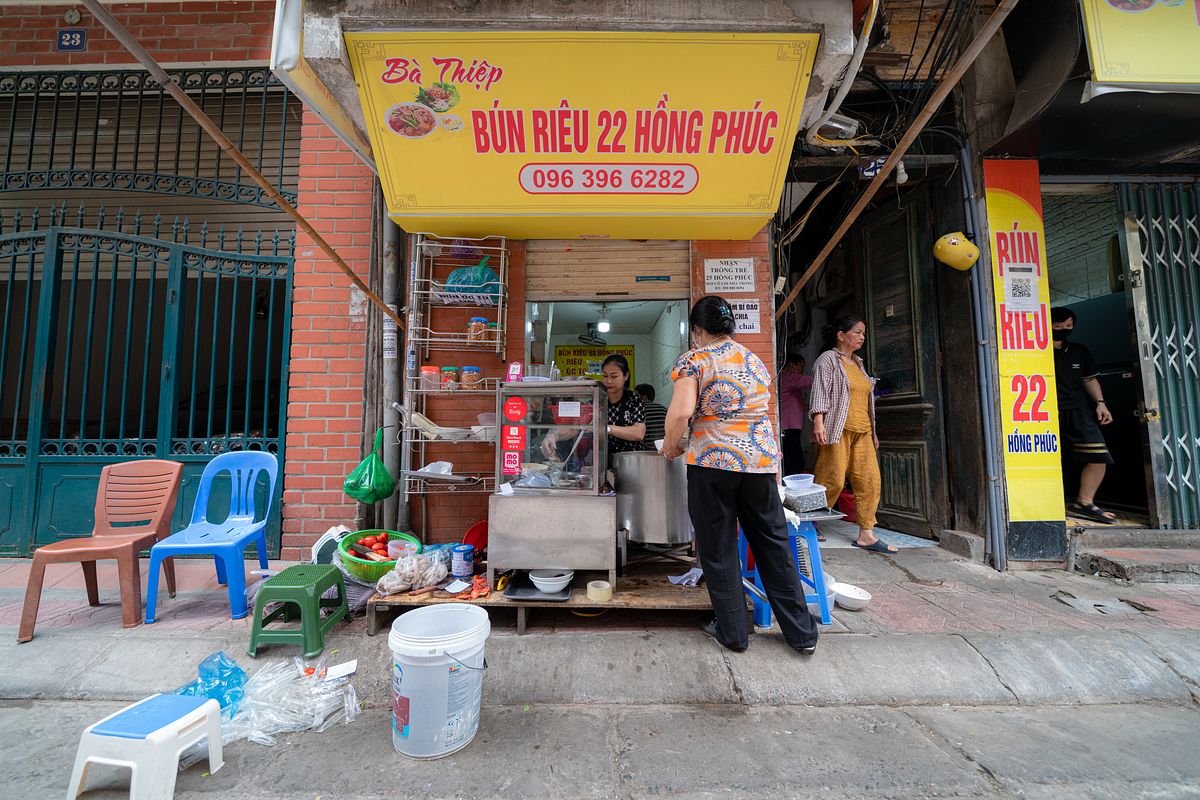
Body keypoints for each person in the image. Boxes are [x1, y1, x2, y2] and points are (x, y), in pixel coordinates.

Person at [663, 295, 818, 655]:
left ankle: (733, 632)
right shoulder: (755, 361)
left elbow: (681, 413)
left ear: (698, 330)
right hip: (759, 464)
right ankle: (802, 634)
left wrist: (671, 446)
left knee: (718, 549)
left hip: (712, 464)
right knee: (774, 544)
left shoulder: (695, 359)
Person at [809, 315, 896, 554]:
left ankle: (867, 533)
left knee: (869, 480)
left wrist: (874, 432)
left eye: (863, 333)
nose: (862, 337)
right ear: (841, 335)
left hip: (863, 431)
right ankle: (810, 522)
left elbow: (866, 399)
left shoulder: (858, 363)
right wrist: (819, 420)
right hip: (837, 428)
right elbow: (820, 391)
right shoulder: (828, 360)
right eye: (857, 332)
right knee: (832, 478)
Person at [1051, 307, 1116, 524]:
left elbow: (1089, 379)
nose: (1063, 330)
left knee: (1098, 455)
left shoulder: (1079, 350)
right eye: (1058, 326)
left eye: (1068, 326)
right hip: (1045, 409)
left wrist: (1101, 403)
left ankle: (1085, 502)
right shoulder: (1034, 349)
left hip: (1078, 409)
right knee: (1048, 458)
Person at [541, 353, 646, 461]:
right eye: (605, 376)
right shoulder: (597, 401)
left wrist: (605, 428)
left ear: (626, 376)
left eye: (614, 376)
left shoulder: (634, 400)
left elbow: (638, 433)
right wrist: (553, 436)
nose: (609, 381)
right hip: (604, 462)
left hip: (631, 461)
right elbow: (576, 427)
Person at [778, 353, 813, 476]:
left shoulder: (786, 379)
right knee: (795, 461)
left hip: (791, 426)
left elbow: (793, 404)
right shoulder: (789, 376)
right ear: (792, 365)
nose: (802, 369)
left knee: (793, 458)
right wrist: (826, 375)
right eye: (801, 366)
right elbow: (810, 381)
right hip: (788, 427)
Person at [635, 383, 668, 448]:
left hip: (642, 452)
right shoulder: (664, 410)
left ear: (644, 397)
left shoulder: (637, 410)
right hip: (661, 449)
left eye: (636, 396)